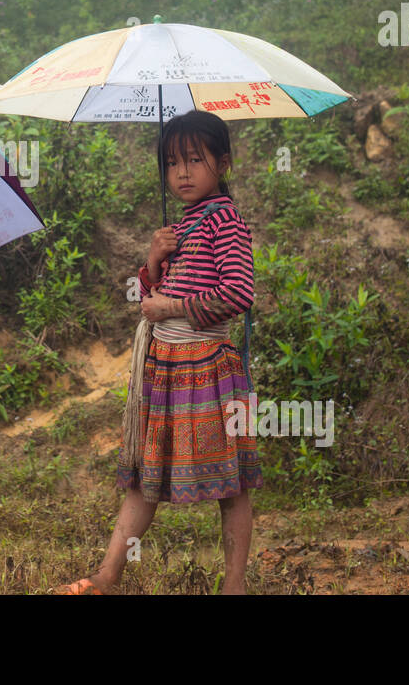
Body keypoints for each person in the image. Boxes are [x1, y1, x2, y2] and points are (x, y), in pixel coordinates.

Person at [63, 109, 261, 594]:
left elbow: (238, 294)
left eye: (195, 159)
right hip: (168, 366)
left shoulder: (226, 221)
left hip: (210, 367)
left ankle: (233, 586)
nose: (183, 172)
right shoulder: (183, 225)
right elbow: (143, 295)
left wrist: (169, 304)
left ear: (225, 163)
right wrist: (153, 260)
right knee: (143, 477)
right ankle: (108, 575)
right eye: (172, 163)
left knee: (233, 483)